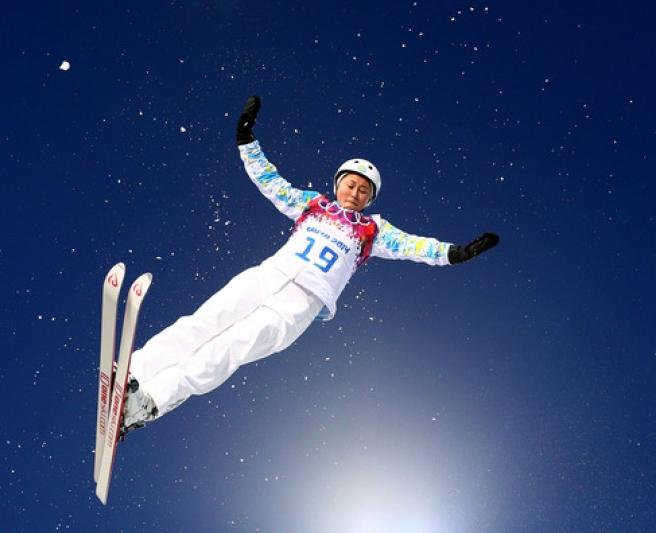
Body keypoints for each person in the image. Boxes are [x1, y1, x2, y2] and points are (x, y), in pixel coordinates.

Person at [122, 96, 499, 430]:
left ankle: (148, 402)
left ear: (369, 199)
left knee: (230, 348)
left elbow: (412, 246)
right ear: (338, 184)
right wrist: (247, 140)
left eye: (363, 190)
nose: (355, 192)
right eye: (350, 184)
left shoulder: (373, 231)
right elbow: (272, 182)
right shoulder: (313, 204)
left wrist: (453, 253)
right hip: (269, 274)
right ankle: (132, 371)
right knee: (204, 323)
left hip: (302, 302)